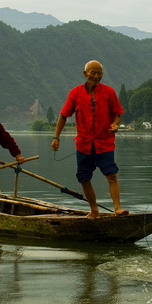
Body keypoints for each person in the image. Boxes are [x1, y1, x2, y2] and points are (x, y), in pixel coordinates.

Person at [51, 60, 127, 218]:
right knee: (84, 178)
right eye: (93, 72)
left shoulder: (109, 92)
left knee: (111, 174)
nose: (96, 76)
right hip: (84, 144)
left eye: (99, 73)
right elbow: (64, 115)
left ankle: (117, 208)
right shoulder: (75, 93)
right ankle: (94, 210)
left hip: (104, 143)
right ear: (85, 74)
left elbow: (117, 114)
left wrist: (114, 124)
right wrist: (56, 137)